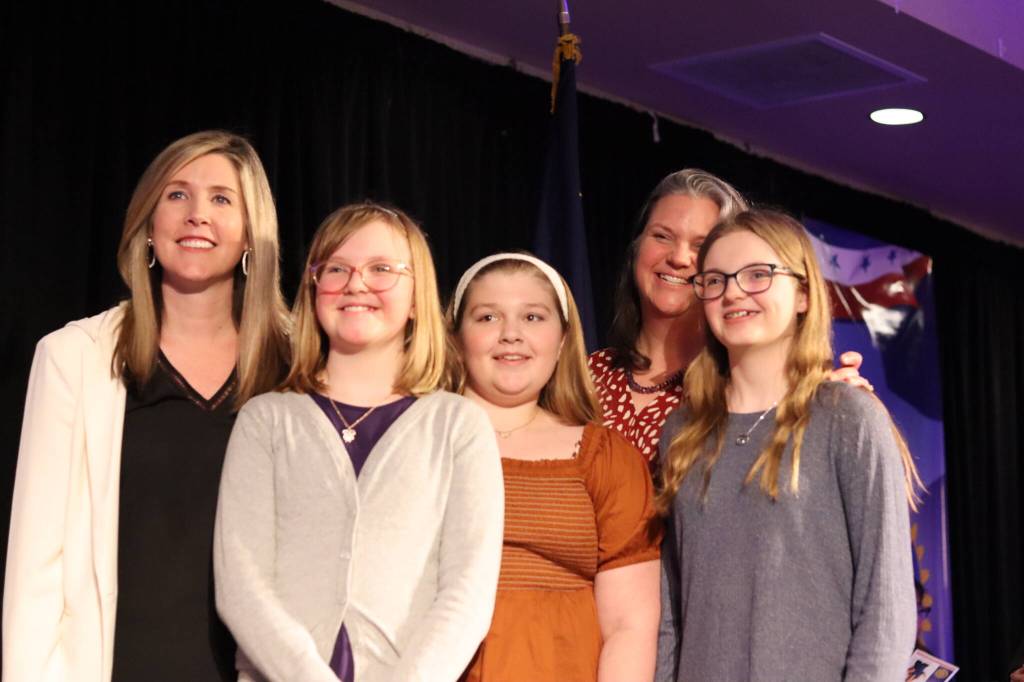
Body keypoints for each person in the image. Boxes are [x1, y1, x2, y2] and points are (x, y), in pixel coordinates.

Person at [3, 130, 290, 681]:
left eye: (222, 199)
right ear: (148, 227)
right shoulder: (74, 358)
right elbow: (36, 566)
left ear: (253, 233)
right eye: (177, 195)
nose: (197, 214)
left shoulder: (296, 368)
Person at [214, 203, 504, 682]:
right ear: (313, 289)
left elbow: (466, 596)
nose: (356, 283)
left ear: (416, 298)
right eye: (336, 269)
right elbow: (241, 586)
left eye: (382, 269)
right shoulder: (266, 421)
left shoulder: (458, 427)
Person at [654, 209, 921, 681]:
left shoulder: (849, 418)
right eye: (714, 280)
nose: (733, 291)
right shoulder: (681, 433)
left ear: (802, 293)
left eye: (758, 275)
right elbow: (670, 613)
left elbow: (887, 609)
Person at [447, 253, 660, 682]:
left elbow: (629, 626)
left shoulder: (606, 459)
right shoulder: (414, 443)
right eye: (487, 317)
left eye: (532, 317)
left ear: (562, 340)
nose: (511, 335)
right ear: (454, 337)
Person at [590, 169, 866, 460]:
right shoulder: (586, 374)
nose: (679, 258)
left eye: (701, 246)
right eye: (662, 236)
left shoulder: (747, 394)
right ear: (636, 247)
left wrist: (831, 411)